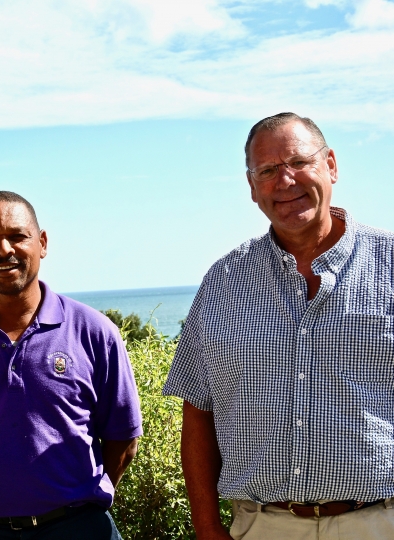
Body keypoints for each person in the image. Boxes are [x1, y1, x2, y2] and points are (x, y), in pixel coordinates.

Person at [163, 112, 394, 539]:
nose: (285, 181)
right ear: (252, 188)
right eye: (267, 170)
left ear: (331, 166)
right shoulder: (223, 281)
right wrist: (207, 529)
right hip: (263, 526)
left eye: (300, 162)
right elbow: (198, 410)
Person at [0, 191, 143, 539]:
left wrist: (79, 501)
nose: (3, 249)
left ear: (42, 243)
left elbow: (123, 437)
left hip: (80, 529)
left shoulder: (94, 332)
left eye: (17, 236)